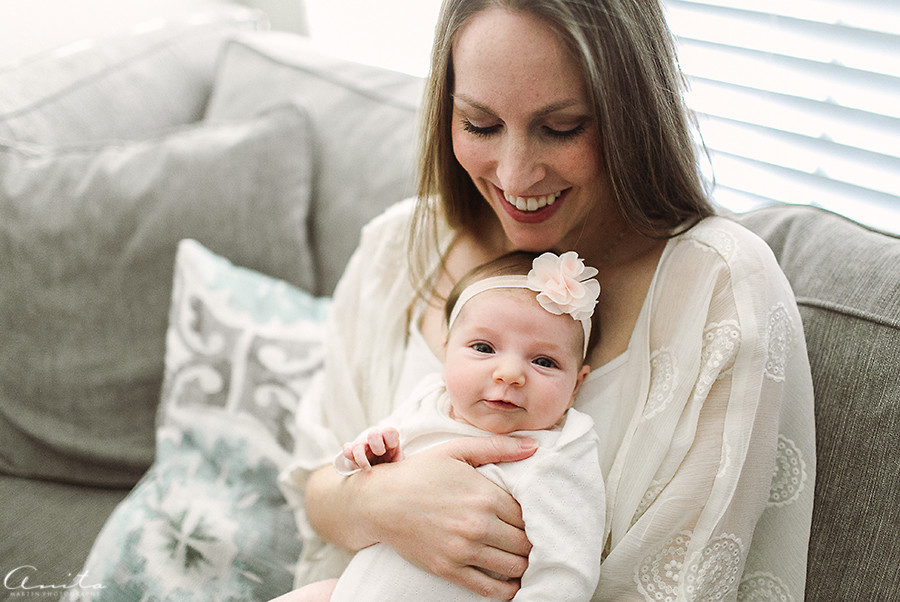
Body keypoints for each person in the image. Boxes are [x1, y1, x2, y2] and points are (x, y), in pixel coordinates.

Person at [278, 1, 816, 600]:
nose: (514, 176)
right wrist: (385, 501)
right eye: (480, 125)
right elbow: (316, 491)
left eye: (561, 128)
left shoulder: (719, 291)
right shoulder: (400, 247)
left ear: (631, 117)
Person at [281, 250, 605, 601]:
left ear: (575, 386)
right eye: (483, 347)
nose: (509, 373)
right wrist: (369, 456)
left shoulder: (561, 450)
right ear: (446, 352)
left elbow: (567, 570)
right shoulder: (430, 400)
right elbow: (354, 466)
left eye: (544, 361)